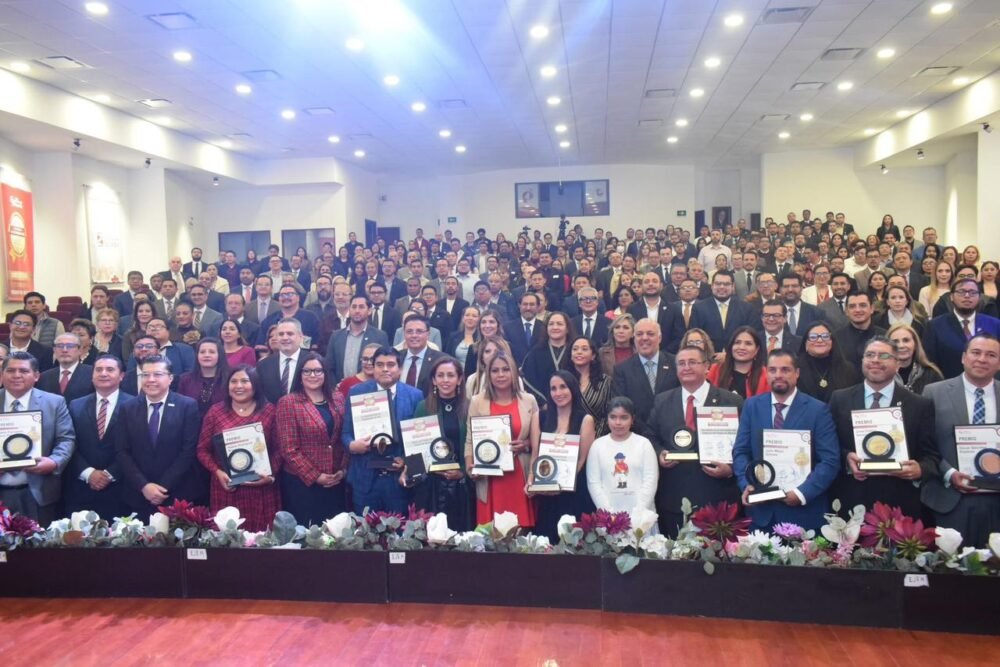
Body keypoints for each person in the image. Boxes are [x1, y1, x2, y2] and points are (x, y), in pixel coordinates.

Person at [828, 337, 938, 519]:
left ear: (898, 364)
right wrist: (846, 457)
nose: (875, 360)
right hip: (851, 502)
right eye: (870, 355)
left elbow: (932, 457)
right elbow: (828, 447)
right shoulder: (840, 399)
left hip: (900, 505)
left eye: (884, 356)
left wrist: (919, 469)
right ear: (862, 360)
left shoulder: (919, 405)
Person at [732, 350, 840, 531]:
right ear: (766, 373)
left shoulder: (818, 410)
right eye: (772, 370)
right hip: (761, 514)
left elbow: (830, 460)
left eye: (785, 370)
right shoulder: (751, 406)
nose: (778, 375)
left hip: (804, 514)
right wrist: (747, 484)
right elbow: (741, 451)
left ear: (797, 373)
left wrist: (802, 493)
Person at [647, 345, 744, 536]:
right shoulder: (663, 400)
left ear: (707, 366)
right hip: (674, 496)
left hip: (717, 497)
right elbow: (650, 435)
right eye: (681, 363)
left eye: (692, 362)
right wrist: (659, 453)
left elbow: (744, 444)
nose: (686, 367)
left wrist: (731, 469)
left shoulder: (731, 401)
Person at [922, 334, 1000, 547]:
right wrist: (949, 473)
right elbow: (923, 444)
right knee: (950, 567)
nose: (982, 359)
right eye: (976, 352)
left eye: (991, 355)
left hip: (996, 501)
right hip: (949, 499)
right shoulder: (933, 393)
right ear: (964, 357)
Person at [195, 365, 281, 531]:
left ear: (255, 385)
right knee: (227, 541)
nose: (238, 386)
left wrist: (270, 476)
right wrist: (217, 472)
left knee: (263, 540)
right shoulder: (215, 412)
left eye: (244, 381)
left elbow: (279, 450)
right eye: (233, 381)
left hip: (262, 489)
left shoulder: (270, 411)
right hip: (227, 488)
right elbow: (202, 450)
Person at [115, 355, 203, 515]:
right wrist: (144, 486)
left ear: (170, 378)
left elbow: (188, 450)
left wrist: (163, 486)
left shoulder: (187, 406)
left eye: (157, 374)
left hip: (177, 494)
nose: (151, 380)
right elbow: (122, 451)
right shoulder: (127, 408)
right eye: (145, 375)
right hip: (138, 494)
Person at [342, 346, 421, 514]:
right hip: (365, 478)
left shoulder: (415, 396)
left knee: (400, 530)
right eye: (380, 364)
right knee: (363, 529)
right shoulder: (356, 392)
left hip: (398, 482)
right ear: (373, 368)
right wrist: (352, 445)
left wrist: (408, 464)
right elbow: (345, 433)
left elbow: (419, 441)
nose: (385, 369)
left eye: (390, 364)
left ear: (400, 369)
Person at [466, 351, 539, 528]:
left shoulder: (528, 400)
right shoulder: (477, 402)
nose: (500, 375)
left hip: (519, 476)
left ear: (514, 372)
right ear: (488, 374)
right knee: (491, 535)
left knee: (522, 535)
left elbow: (537, 443)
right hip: (490, 479)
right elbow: (470, 441)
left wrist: (525, 445)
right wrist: (470, 468)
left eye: (506, 369)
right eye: (495, 370)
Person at [0, 352, 75, 524]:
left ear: (36, 376)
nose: (16, 375)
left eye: (23, 371)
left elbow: (66, 439)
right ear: (2, 374)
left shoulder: (54, 403)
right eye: (10, 370)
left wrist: (54, 462)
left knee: (39, 541)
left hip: (38, 493)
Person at [403, 356, 475, 531]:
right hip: (430, 486)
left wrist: (462, 472)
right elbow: (415, 446)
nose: (445, 380)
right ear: (434, 380)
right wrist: (414, 470)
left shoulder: (470, 406)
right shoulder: (423, 407)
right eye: (440, 375)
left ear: (459, 379)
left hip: (461, 486)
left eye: (450, 375)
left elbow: (474, 444)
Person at [64, 354, 133, 519]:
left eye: (110, 369)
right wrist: (88, 473)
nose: (103, 373)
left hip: (121, 488)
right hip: (81, 488)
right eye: (99, 370)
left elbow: (137, 446)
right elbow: (68, 442)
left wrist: (110, 473)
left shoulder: (135, 405)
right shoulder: (76, 405)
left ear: (121, 375)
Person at [530, 371, 596, 541]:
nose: (558, 393)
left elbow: (582, 460)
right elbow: (535, 455)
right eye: (553, 388)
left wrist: (563, 483)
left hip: (573, 493)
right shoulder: (539, 417)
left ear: (572, 388)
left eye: (563, 387)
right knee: (546, 543)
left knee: (574, 544)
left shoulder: (585, 420)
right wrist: (531, 482)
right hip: (546, 493)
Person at [586, 397, 658, 514]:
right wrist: (609, 514)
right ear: (607, 419)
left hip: (642, 516)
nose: (618, 422)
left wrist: (638, 513)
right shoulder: (597, 445)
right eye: (613, 417)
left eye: (624, 417)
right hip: (608, 518)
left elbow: (650, 480)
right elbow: (594, 483)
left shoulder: (644, 444)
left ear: (632, 419)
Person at [611, 318, 679, 435]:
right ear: (634, 338)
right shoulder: (622, 370)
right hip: (637, 435)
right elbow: (622, 406)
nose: (644, 338)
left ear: (660, 338)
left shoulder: (675, 364)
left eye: (650, 334)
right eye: (639, 334)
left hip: (673, 433)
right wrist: (646, 433)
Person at [923, 278, 1000, 378]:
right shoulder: (934, 326)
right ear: (951, 297)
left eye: (972, 292)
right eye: (961, 292)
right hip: (948, 383)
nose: (967, 296)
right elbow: (930, 363)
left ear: (979, 297)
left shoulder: (995, 324)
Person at [326, 295, 389, 383]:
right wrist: (334, 387)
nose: (357, 311)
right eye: (354, 307)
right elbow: (329, 367)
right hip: (340, 388)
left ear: (369, 311)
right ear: (349, 310)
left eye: (361, 307)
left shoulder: (379, 336)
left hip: (369, 389)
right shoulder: (336, 336)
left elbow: (383, 366)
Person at [689, 270, 755, 352]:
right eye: (718, 284)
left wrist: (728, 354)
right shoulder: (699, 308)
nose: (722, 287)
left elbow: (751, 336)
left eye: (726, 284)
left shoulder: (746, 308)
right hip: (708, 356)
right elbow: (694, 335)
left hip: (737, 355)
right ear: (712, 286)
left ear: (733, 286)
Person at [521, 311, 575, 405]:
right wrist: (543, 403)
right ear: (546, 328)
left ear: (567, 329)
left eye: (559, 324)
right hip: (545, 408)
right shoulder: (535, 353)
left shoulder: (575, 351)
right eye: (551, 324)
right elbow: (528, 381)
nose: (555, 327)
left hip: (573, 405)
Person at [707, 326, 769, 399]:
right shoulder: (715, 370)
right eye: (737, 342)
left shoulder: (766, 375)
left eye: (748, 344)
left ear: (757, 350)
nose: (741, 347)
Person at [258, 318, 309, 404]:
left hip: (305, 411)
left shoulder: (312, 362)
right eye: (281, 334)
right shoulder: (263, 365)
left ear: (301, 337)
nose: (285, 338)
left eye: (290, 334)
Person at [569, 336, 613, 436]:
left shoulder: (605, 381)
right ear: (571, 356)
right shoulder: (563, 380)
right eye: (575, 349)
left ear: (593, 355)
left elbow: (608, 413)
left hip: (597, 435)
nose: (579, 352)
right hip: (568, 437)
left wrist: (596, 437)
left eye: (584, 349)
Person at [178, 337, 229, 418]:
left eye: (212, 352)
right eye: (202, 352)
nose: (206, 355)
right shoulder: (185, 380)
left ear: (220, 355)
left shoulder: (229, 379)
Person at [37, 333, 94, 404]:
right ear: (54, 350)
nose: (64, 350)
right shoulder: (44, 377)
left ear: (80, 350)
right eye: (60, 346)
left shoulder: (92, 373)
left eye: (70, 346)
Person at [888, 323, 943, 394]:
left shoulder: (932, 374)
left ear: (915, 344)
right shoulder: (881, 374)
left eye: (906, 340)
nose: (901, 345)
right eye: (895, 341)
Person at [834, 292, 886, 365]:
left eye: (862, 305)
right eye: (852, 306)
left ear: (872, 309)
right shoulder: (836, 338)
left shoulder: (885, 336)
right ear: (846, 311)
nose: (857, 310)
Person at [398, 315, 445, 396]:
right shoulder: (396, 357)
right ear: (404, 334)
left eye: (419, 331)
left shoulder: (440, 360)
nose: (414, 335)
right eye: (409, 331)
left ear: (428, 334)